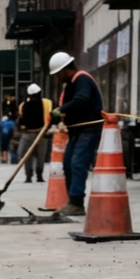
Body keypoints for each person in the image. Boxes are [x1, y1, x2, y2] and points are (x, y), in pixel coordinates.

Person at [48, 51, 104, 216]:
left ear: (65, 69)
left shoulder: (82, 79)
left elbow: (82, 100)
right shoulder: (71, 85)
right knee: (68, 164)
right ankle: (73, 201)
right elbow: (70, 107)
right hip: (77, 130)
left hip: (88, 128)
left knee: (78, 163)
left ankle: (77, 202)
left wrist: (61, 110)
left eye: (58, 74)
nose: (57, 78)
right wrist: (55, 117)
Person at [16, 83, 53, 183]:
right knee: (40, 156)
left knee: (27, 156)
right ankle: (38, 175)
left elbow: (20, 121)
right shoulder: (47, 103)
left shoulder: (23, 105)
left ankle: (29, 176)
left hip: (30, 134)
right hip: (41, 133)